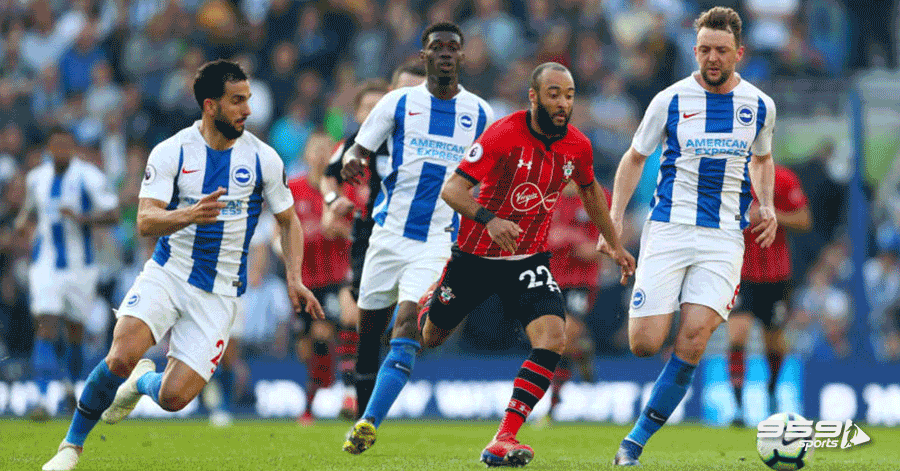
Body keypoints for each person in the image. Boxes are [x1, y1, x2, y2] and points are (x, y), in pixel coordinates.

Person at [41, 59, 324, 471]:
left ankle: (142, 382)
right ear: (210, 105)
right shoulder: (172, 151)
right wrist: (189, 214)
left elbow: (289, 221)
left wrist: (295, 278)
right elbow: (145, 220)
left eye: (247, 99)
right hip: (169, 272)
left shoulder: (264, 158)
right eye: (237, 101)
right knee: (120, 355)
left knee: (173, 398)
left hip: (220, 292)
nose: (247, 110)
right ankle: (71, 447)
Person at [428, 62, 632, 467]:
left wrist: (614, 243)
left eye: (569, 95)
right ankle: (427, 299)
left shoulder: (578, 145)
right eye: (554, 94)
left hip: (528, 259)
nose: (562, 103)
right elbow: (452, 190)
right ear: (533, 96)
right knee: (432, 335)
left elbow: (591, 192)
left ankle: (505, 435)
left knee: (554, 338)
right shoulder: (503, 134)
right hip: (476, 255)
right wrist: (490, 219)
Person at [599, 7, 779, 466]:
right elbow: (634, 157)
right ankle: (639, 428)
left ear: (739, 53)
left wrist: (767, 204)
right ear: (695, 51)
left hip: (724, 238)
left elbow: (762, 160)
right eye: (705, 49)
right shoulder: (670, 100)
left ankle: (633, 444)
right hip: (669, 229)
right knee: (644, 344)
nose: (713, 57)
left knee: (694, 339)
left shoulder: (759, 105)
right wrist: (614, 217)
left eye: (722, 50)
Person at [340, 22, 494, 454]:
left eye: (452, 47)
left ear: (461, 56)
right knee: (368, 335)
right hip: (388, 235)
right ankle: (361, 414)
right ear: (424, 55)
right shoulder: (398, 102)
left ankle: (369, 422)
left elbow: (492, 174)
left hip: (438, 241)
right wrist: (353, 161)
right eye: (436, 47)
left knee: (408, 323)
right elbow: (358, 148)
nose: (445, 53)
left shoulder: (481, 113)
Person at [319, 64, 426, 419]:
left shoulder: (432, 137)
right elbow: (329, 177)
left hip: (424, 235)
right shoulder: (357, 143)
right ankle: (356, 393)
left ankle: (369, 389)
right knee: (359, 315)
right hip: (373, 234)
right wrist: (333, 202)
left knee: (408, 319)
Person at [13, 127, 119, 420]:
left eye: (66, 146)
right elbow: (29, 211)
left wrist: (82, 218)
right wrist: (22, 225)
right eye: (56, 146)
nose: (61, 151)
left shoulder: (89, 177)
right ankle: (42, 398)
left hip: (81, 267)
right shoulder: (37, 178)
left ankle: (71, 386)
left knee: (75, 332)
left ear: (73, 148)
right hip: (45, 264)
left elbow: (112, 214)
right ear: (49, 148)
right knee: (46, 324)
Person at [728, 164, 811, 425]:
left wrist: (772, 216)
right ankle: (738, 408)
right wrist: (743, 216)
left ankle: (772, 390)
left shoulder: (784, 178)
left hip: (776, 276)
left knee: (773, 343)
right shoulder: (731, 174)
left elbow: (804, 219)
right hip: (740, 273)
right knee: (737, 334)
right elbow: (716, 216)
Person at [543, 181, 611, 423]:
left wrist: (570, 237)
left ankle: (553, 405)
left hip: (581, 281)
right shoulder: (545, 195)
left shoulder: (599, 197)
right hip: (548, 278)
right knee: (551, 340)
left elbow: (600, 247)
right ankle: (583, 353)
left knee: (564, 335)